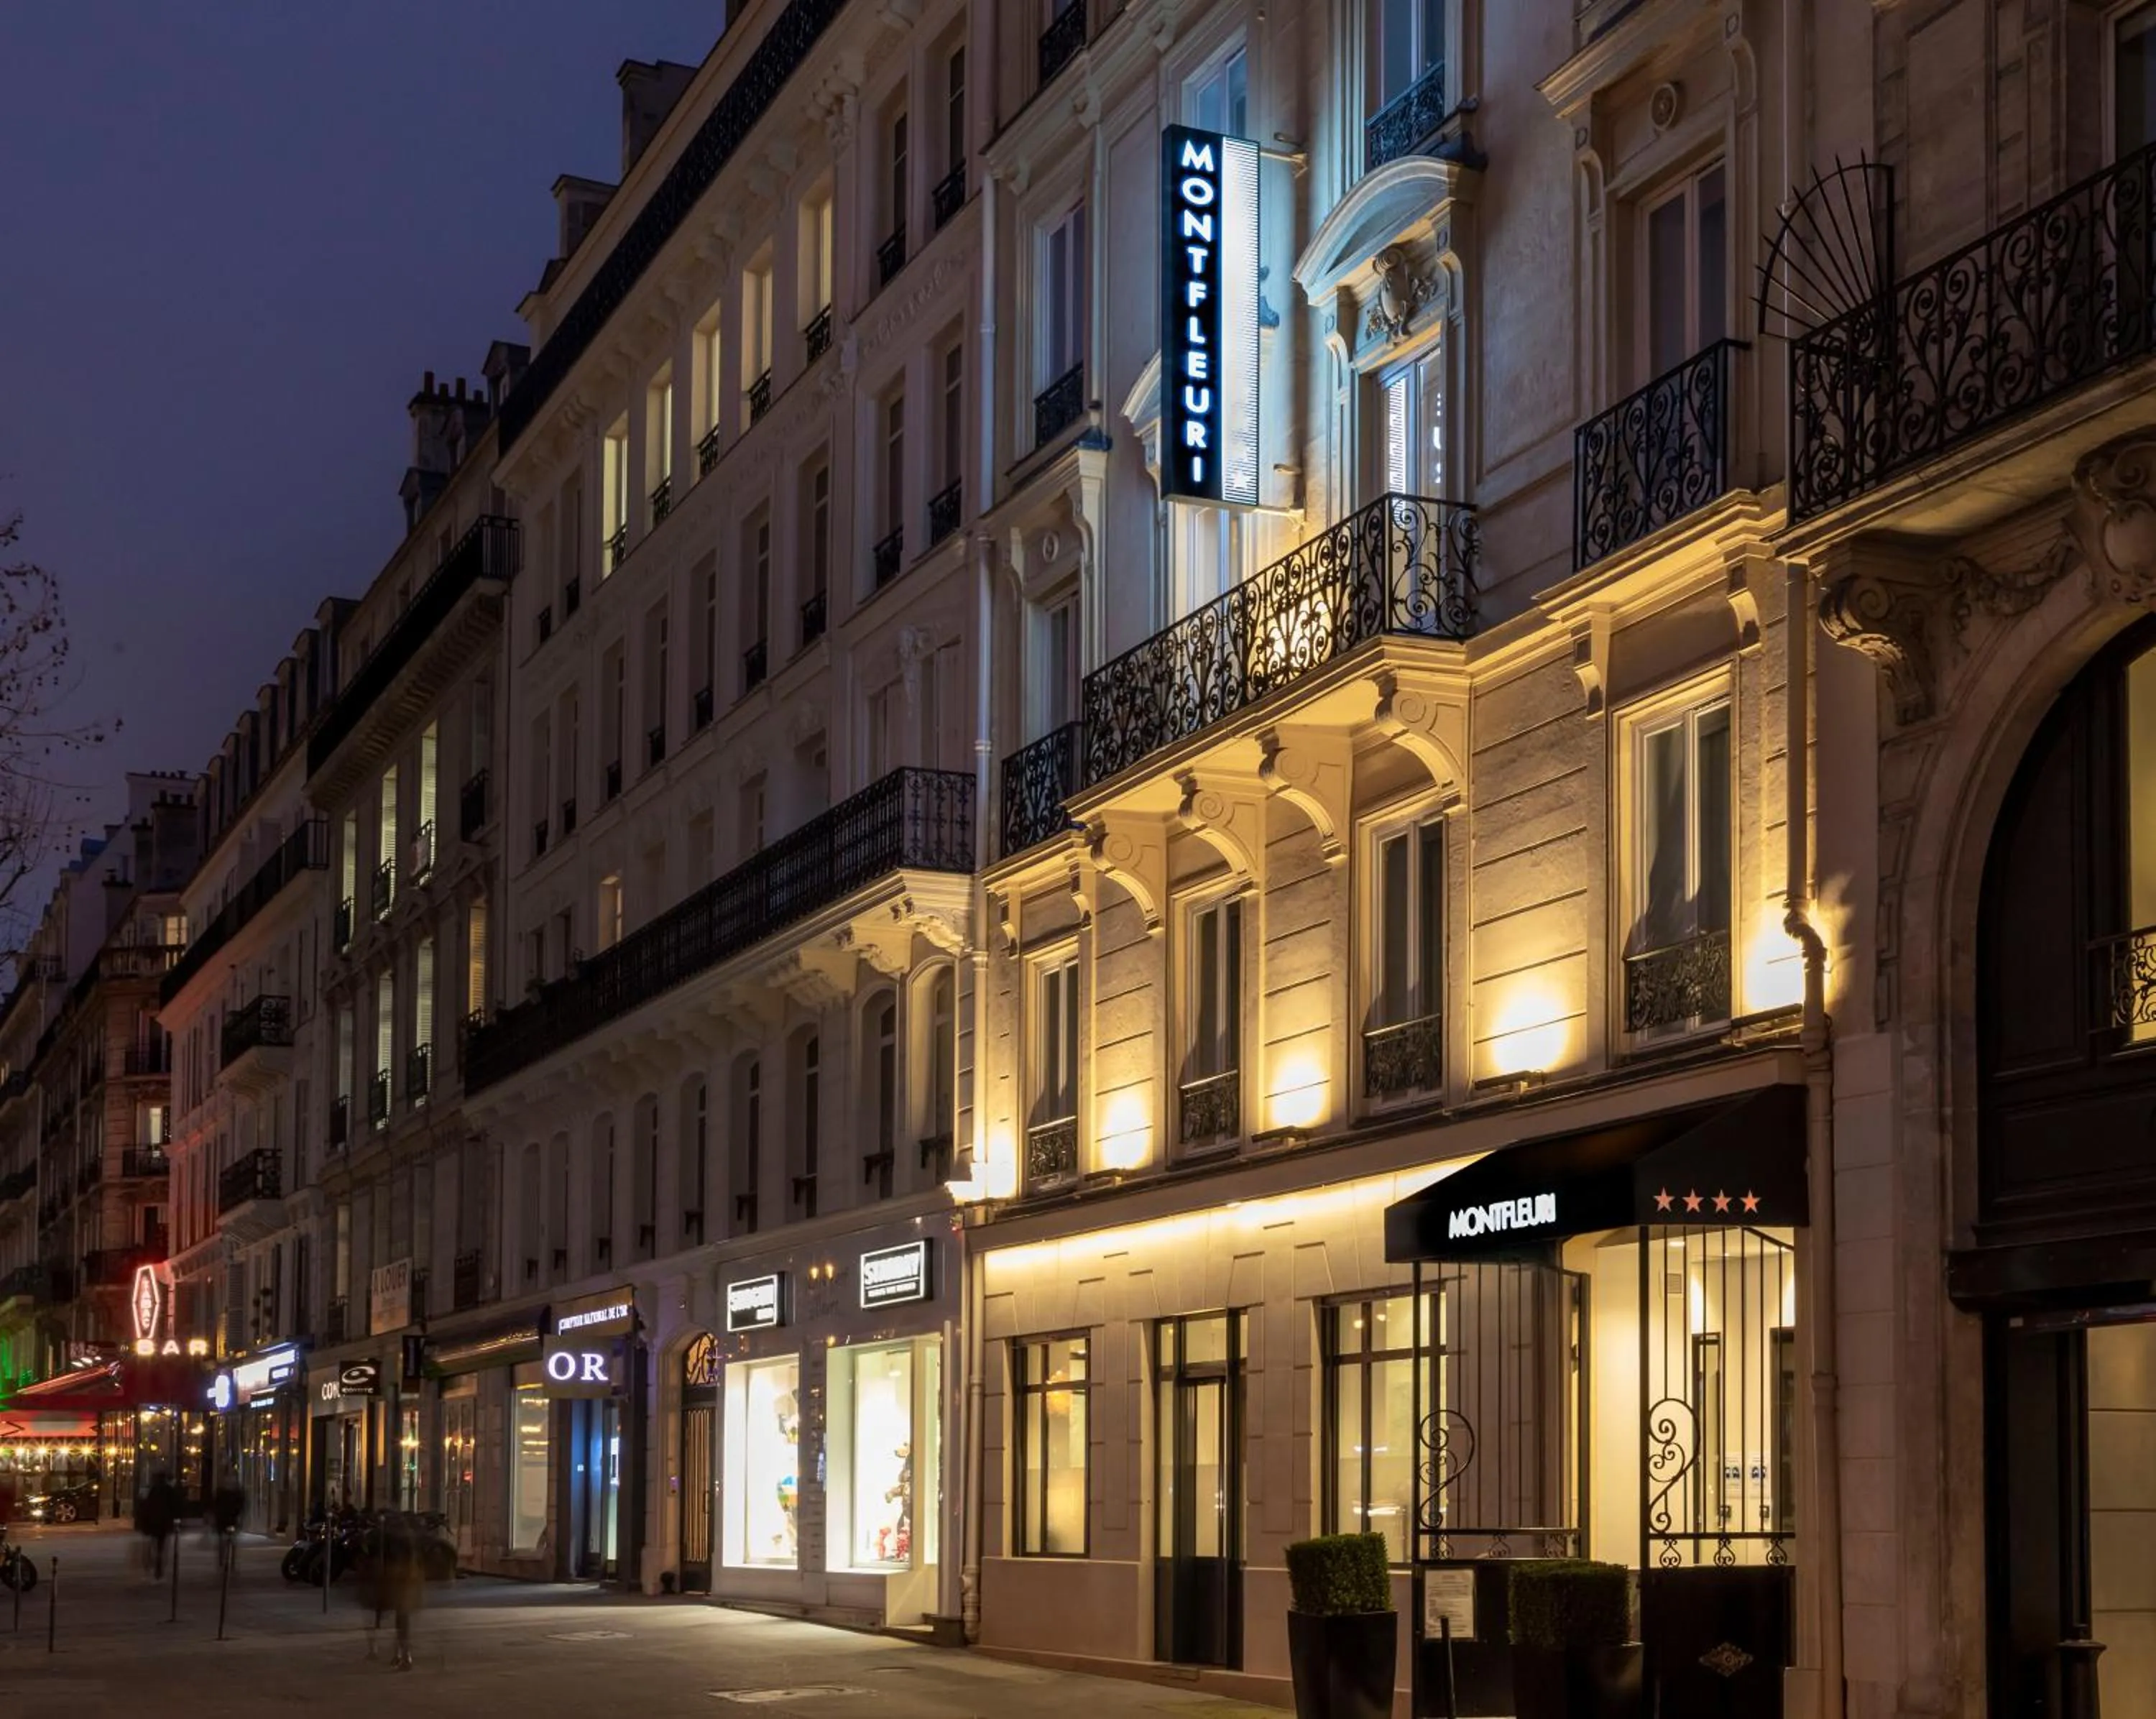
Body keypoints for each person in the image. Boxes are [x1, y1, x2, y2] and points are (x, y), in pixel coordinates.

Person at [142, 1471, 178, 1577]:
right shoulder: (169, 1491)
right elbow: (175, 1506)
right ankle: (159, 1562)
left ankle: (155, 1560)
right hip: (164, 1522)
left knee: (155, 1542)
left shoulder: (153, 1490)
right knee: (162, 1544)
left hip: (154, 1522)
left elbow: (147, 1507)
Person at [211, 1467, 244, 1567]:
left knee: (232, 1541)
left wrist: (240, 1517)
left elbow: (241, 1505)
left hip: (233, 1519)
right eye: (228, 1477)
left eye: (232, 1477)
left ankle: (231, 1561)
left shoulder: (238, 1492)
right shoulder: (221, 1491)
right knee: (222, 1541)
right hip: (222, 1519)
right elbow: (215, 1505)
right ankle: (222, 1560)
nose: (230, 1479)